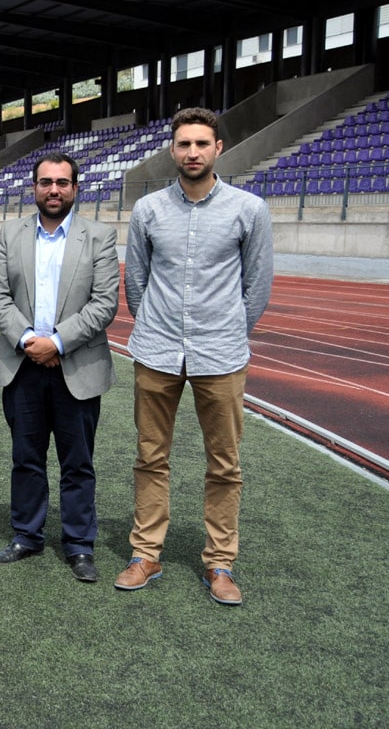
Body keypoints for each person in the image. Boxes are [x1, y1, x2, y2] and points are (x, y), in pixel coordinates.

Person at [116, 107, 273, 606]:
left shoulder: (249, 210)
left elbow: (258, 285)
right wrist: (156, 326)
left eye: (201, 144)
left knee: (224, 463)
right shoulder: (149, 211)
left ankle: (220, 562)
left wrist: (228, 331)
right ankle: (146, 554)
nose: (192, 153)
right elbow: (135, 282)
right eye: (183, 144)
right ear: (172, 150)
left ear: (218, 148)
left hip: (221, 355)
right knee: (149, 457)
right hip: (156, 350)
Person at [0, 152, 119, 582]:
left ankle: (79, 545)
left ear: (75, 188)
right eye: (46, 182)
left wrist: (57, 342)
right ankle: (26, 535)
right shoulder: (10, 233)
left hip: (75, 366)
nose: (54, 189)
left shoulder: (98, 236)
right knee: (26, 458)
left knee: (77, 462)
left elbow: (105, 303)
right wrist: (29, 341)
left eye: (62, 182)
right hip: (23, 365)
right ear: (34, 187)